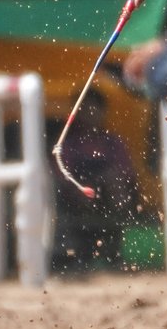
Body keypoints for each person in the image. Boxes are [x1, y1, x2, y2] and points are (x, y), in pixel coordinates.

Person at [50, 87, 140, 270]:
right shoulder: (68, 143)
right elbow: (61, 174)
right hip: (76, 197)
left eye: (94, 109)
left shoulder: (113, 143)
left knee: (114, 181)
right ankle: (83, 250)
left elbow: (126, 174)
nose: (90, 115)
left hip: (109, 197)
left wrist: (107, 183)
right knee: (83, 188)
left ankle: (116, 228)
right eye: (85, 110)